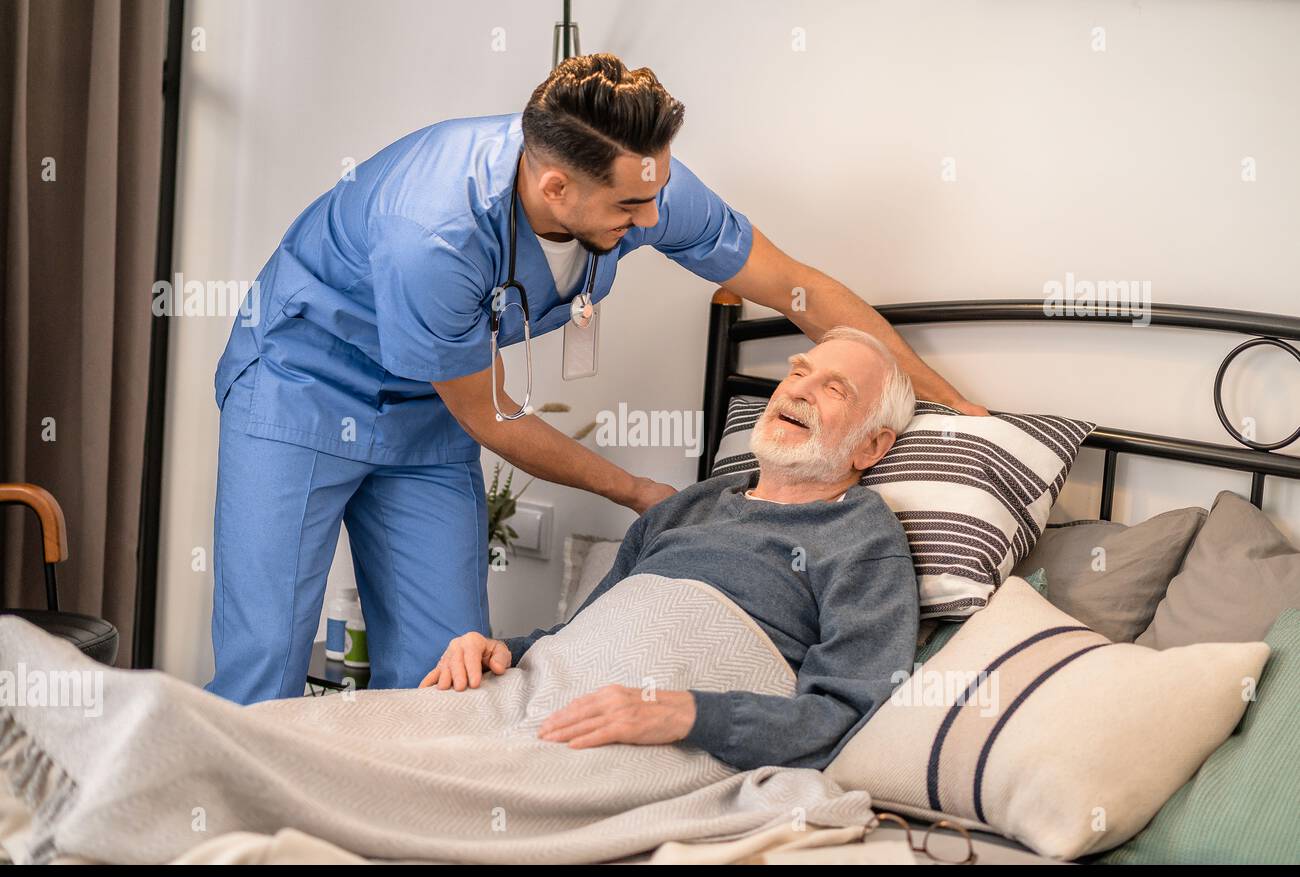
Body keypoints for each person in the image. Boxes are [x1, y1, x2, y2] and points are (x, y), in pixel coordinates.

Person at [208, 52, 976, 704]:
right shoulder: (433, 234)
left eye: (656, 194)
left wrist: (957, 406)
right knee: (265, 663)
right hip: (303, 388)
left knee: (445, 670)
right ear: (555, 190)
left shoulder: (643, 181)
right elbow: (493, 417)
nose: (652, 220)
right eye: (631, 205)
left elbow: (796, 289)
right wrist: (642, 495)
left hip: (432, 412)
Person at [420, 327, 921, 771]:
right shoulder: (686, 508)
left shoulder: (864, 537)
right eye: (797, 373)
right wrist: (502, 649)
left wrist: (687, 714)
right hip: (539, 693)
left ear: (871, 448)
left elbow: (844, 712)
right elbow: (580, 636)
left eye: (834, 389)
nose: (799, 392)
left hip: (647, 743)